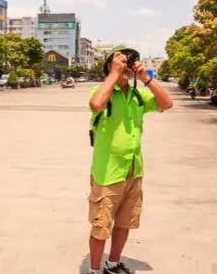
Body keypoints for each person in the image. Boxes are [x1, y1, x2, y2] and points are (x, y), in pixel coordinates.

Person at [86, 46, 173, 274]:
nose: (126, 67)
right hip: (108, 173)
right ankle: (95, 271)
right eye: (120, 62)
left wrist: (146, 78)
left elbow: (166, 104)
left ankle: (112, 264)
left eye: (128, 63)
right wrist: (114, 74)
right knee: (101, 226)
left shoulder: (137, 95)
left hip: (134, 171)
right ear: (109, 65)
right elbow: (96, 104)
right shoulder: (100, 90)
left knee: (125, 222)